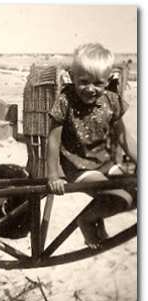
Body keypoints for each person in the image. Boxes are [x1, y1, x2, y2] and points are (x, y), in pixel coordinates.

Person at [47, 43, 137, 249]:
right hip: (78, 165)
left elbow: (125, 138)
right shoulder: (65, 102)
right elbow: (52, 140)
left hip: (103, 161)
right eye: (84, 82)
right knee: (117, 195)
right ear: (73, 76)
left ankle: (97, 218)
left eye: (98, 83)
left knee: (133, 193)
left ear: (108, 80)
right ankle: (86, 220)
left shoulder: (111, 101)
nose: (90, 89)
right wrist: (53, 175)